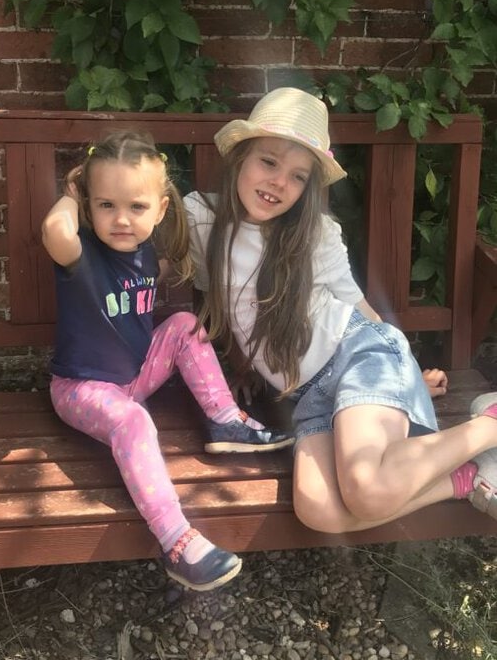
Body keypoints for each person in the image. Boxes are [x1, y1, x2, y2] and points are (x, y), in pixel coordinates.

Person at [184, 87, 497, 533]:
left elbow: (359, 308)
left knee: (366, 488)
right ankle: (471, 475)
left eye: (297, 176)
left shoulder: (315, 234)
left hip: (359, 357)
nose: (279, 183)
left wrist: (404, 375)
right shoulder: (201, 219)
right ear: (240, 156)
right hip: (310, 396)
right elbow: (219, 296)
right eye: (269, 162)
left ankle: (491, 422)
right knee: (318, 509)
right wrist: (243, 366)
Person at [41, 130, 294, 592]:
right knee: (133, 422)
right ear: (88, 208)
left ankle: (226, 422)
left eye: (136, 207)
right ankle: (178, 542)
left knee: (184, 324)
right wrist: (69, 195)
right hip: (82, 389)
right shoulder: (79, 254)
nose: (121, 220)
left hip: (134, 377)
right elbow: (55, 230)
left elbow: (172, 288)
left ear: (159, 210)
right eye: (105, 206)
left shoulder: (145, 253)